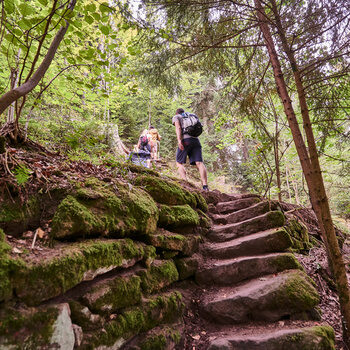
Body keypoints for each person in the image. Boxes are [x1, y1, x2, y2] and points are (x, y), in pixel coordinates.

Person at [172, 108, 209, 191]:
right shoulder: (192, 116)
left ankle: (185, 183)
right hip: (196, 140)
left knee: (179, 162)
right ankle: (205, 186)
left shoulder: (176, 117)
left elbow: (178, 127)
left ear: (177, 112)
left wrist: (179, 140)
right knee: (199, 163)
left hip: (185, 141)